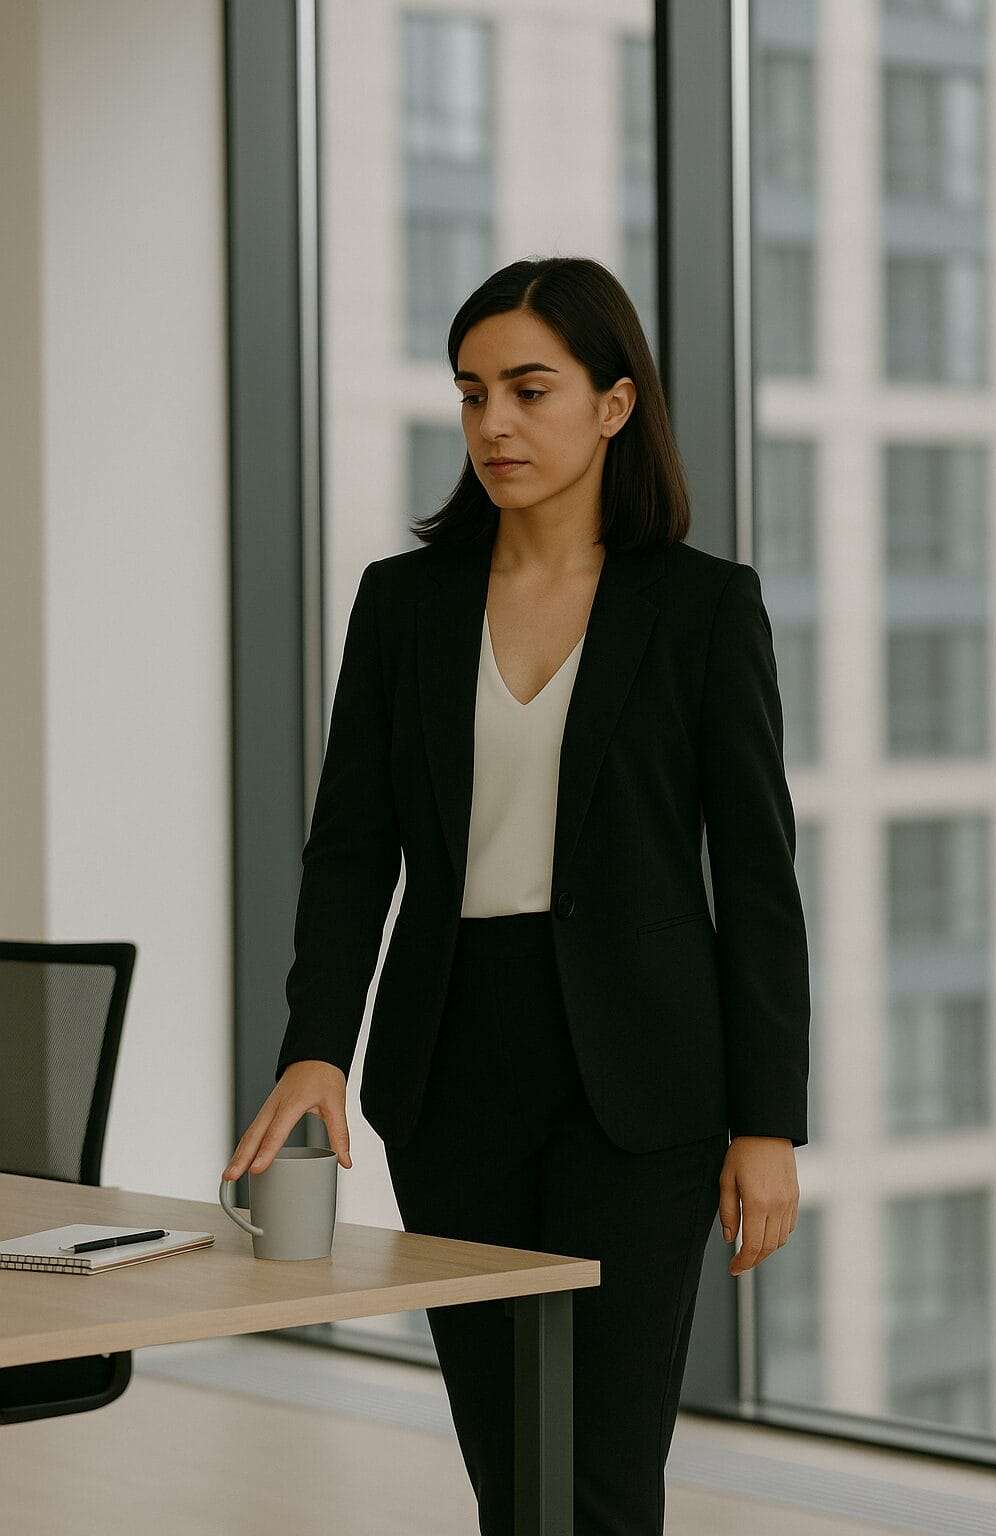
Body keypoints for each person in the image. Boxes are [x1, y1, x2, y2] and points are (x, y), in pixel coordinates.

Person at [222, 255, 810, 1535]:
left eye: (529, 390)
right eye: (472, 391)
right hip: (452, 1065)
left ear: (611, 404)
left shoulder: (702, 610)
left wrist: (769, 1121)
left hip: (646, 1080)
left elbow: (758, 879)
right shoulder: (405, 605)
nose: (493, 421)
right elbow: (349, 851)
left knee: (598, 1476)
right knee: (507, 1465)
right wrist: (317, 1045)